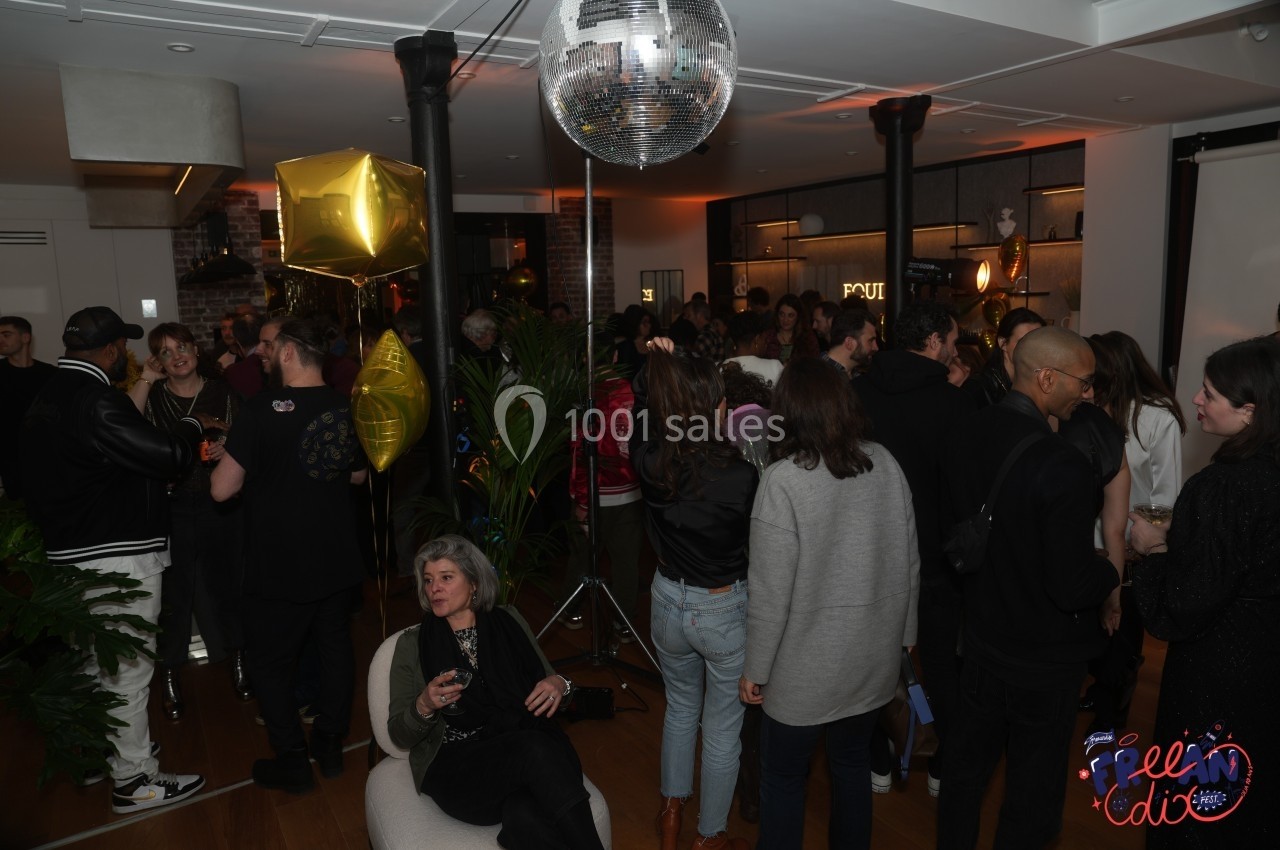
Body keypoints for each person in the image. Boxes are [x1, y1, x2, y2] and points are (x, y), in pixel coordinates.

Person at [938, 327, 1120, 849]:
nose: (1087, 394)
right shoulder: (1059, 461)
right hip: (1041, 661)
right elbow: (1070, 586)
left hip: (980, 639)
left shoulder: (965, 431)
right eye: (1083, 383)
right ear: (1046, 377)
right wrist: (1114, 565)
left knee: (965, 777)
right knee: (1032, 797)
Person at [21, 305, 208, 813]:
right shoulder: (96, 399)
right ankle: (134, 780)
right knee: (127, 670)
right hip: (116, 557)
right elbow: (167, 456)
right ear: (109, 350)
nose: (126, 353)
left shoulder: (45, 397)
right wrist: (192, 427)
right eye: (123, 346)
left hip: (69, 554)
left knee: (92, 662)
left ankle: (98, 757)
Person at [742, 358, 919, 850]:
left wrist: (754, 668)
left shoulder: (783, 481)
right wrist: (906, 635)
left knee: (782, 778)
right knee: (852, 765)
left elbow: (769, 592)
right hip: (871, 658)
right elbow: (910, 561)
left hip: (804, 667)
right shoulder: (885, 462)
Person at [1127, 336, 1280, 849]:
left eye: (1210, 394)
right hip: (1267, 661)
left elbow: (1186, 604)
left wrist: (1153, 550)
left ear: (1249, 412)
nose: (1195, 398)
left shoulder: (1223, 487)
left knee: (1201, 803)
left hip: (1221, 669)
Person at [210, 317, 368, 792]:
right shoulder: (346, 407)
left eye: (266, 345)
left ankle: (294, 762)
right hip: (337, 558)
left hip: (280, 564)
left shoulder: (259, 411)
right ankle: (329, 745)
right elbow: (358, 477)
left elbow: (221, 492)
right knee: (336, 651)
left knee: (271, 664)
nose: (260, 352)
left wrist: (237, 459)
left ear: (289, 352)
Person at [387, 535, 604, 848]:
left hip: (517, 753)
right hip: (458, 769)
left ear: (474, 583)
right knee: (535, 748)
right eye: (429, 580)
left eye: (446, 578)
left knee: (523, 814)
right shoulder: (411, 645)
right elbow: (399, 735)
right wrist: (423, 704)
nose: (434, 588)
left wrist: (560, 683)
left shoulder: (509, 621)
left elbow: (556, 689)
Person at [634, 339, 757, 850]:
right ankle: (709, 838)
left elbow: (643, 408)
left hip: (666, 599)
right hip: (722, 607)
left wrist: (654, 363)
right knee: (723, 730)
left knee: (681, 710)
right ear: (716, 406)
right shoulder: (741, 476)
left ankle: (670, 818)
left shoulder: (650, 460)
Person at [855, 300, 974, 796]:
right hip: (935, 561)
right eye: (951, 341)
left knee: (869, 665)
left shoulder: (856, 391)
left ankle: (878, 758)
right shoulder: (952, 404)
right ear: (931, 343)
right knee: (943, 666)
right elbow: (964, 492)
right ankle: (944, 764)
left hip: (866, 555)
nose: (954, 350)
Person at [125, 322, 249, 719]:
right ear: (157, 361)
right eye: (165, 351)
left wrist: (227, 443)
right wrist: (145, 378)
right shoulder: (155, 397)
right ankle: (171, 674)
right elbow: (122, 423)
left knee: (228, 585)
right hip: (172, 507)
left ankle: (238, 660)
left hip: (220, 504)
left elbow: (248, 440)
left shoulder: (223, 392)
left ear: (196, 350)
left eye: (182, 346)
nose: (177, 355)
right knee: (174, 597)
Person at [1078, 330, 1186, 730]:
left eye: (1093, 376)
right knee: (1093, 635)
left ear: (1113, 374)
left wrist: (1137, 544)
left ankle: (1112, 713)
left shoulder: (1157, 418)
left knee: (1121, 637)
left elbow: (1166, 499)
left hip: (1130, 550)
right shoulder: (1086, 411)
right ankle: (1100, 691)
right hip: (1088, 544)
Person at [391, 306, 433, 578]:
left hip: (415, 446)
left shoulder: (402, 362)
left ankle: (407, 569)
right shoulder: (440, 352)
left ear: (404, 333)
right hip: (442, 443)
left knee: (404, 508)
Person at [0, 315, 56, 498]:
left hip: (48, 457)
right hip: (10, 459)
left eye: (6, 334)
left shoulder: (50, 374)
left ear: (25, 337)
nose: (1, 340)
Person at [964, 307, 1045, 408]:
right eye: (1023, 342)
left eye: (1038, 343)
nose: (1032, 349)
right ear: (1003, 343)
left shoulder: (1034, 383)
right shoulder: (978, 388)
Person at [724, 311, 782, 388]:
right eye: (764, 339)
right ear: (757, 340)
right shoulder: (774, 367)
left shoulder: (717, 369)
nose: (767, 342)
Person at [820, 308, 878, 381]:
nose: (876, 347)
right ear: (849, 343)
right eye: (870, 341)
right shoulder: (818, 377)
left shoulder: (857, 375)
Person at [762, 293, 818, 364]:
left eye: (790, 315)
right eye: (782, 314)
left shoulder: (807, 337)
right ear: (777, 314)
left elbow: (815, 364)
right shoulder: (768, 336)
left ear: (798, 317)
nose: (785, 320)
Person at [614, 304, 655, 379]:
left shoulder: (651, 343)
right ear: (635, 323)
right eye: (644, 322)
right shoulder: (625, 347)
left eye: (649, 322)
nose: (649, 325)